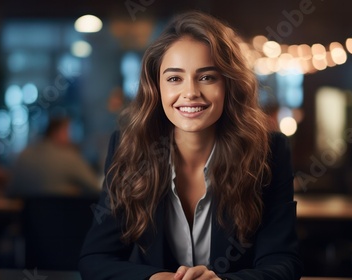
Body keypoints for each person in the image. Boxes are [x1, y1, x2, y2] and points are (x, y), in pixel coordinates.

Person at [79, 11, 303, 280]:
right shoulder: (128, 148)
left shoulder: (269, 151)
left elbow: (283, 264)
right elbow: (95, 259)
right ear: (156, 87)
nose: (190, 93)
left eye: (207, 77)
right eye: (174, 78)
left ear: (228, 85)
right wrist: (153, 279)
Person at [7, 117, 101, 197]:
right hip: (63, 216)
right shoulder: (69, 157)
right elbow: (95, 187)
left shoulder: (24, 155)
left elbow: (10, 190)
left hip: (26, 217)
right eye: (70, 132)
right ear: (58, 133)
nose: (72, 138)